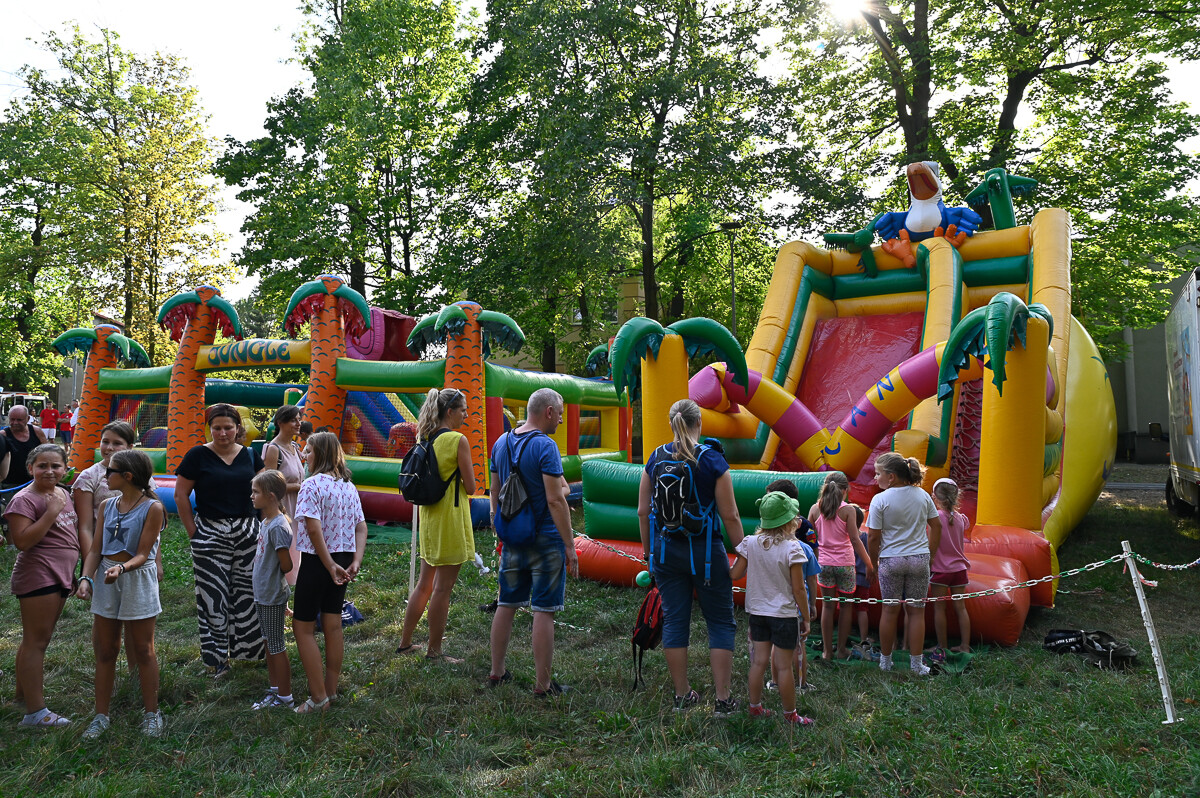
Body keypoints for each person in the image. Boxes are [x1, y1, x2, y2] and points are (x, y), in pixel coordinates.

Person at [637, 398, 743, 716]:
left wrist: (649, 554)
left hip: (667, 551)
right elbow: (731, 515)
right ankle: (723, 700)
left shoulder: (655, 458)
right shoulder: (712, 460)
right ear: (700, 423)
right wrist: (744, 553)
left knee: (675, 620)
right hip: (706, 553)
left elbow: (643, 511)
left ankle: (682, 696)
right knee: (720, 621)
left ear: (671, 423)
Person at [488, 388, 579, 696]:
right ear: (548, 412)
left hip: (513, 537)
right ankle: (542, 685)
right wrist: (570, 546)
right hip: (545, 540)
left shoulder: (501, 442)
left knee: (506, 603)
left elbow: (494, 492)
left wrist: (499, 526)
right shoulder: (545, 446)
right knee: (544, 609)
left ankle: (497, 672)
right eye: (561, 413)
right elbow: (555, 499)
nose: (561, 420)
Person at [76, 449, 167, 739]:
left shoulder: (152, 507)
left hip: (137, 578)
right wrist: (86, 578)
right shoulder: (107, 505)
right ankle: (101, 716)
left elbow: (143, 553)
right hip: (106, 577)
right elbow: (96, 549)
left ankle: (152, 713)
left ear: (127, 476)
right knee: (106, 649)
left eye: (110, 471)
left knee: (143, 649)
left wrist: (122, 568)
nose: (105, 475)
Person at [175, 404, 266, 677]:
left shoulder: (250, 455)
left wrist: (263, 526)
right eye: (217, 428)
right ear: (209, 428)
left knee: (248, 593)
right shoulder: (197, 455)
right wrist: (193, 533)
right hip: (210, 532)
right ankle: (216, 659)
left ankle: (249, 652)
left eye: (228, 427)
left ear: (238, 428)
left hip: (248, 532)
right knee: (212, 597)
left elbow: (264, 491)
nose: (223, 433)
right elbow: (180, 495)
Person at [396, 388, 477, 662]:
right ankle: (434, 651)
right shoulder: (457, 440)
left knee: (424, 584)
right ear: (450, 412)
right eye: (463, 410)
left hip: (429, 519)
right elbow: (472, 487)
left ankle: (405, 643)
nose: (466, 415)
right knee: (443, 589)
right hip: (450, 520)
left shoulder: (426, 437)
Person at [5, 443, 81, 728]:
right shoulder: (24, 500)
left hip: (61, 574)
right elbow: (22, 542)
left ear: (65, 469)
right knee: (36, 641)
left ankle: (21, 697)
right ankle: (36, 713)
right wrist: (50, 513)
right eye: (42, 466)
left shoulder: (62, 493)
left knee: (37, 639)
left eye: (56, 466)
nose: (49, 471)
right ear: (30, 468)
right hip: (39, 574)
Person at [292, 431, 367, 713]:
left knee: (303, 627)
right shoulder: (348, 486)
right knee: (333, 623)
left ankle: (318, 697)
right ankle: (331, 690)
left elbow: (313, 529)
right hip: (344, 559)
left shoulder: (311, 485)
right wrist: (356, 560)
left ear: (321, 454)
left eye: (308, 450)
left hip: (318, 560)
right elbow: (361, 526)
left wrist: (327, 564)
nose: (304, 455)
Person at [730, 491, 814, 725]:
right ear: (789, 521)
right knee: (784, 667)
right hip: (784, 615)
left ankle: (755, 707)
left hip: (757, 613)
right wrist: (806, 617)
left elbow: (735, 574)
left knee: (758, 662)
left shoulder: (750, 543)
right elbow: (799, 589)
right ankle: (790, 715)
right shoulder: (792, 548)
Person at [865, 452, 944, 676]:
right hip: (919, 559)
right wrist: (930, 554)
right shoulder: (922, 495)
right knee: (917, 612)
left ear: (891, 477)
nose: (875, 478)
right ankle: (917, 665)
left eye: (878, 473)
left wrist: (874, 563)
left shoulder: (880, 499)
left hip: (891, 560)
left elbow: (873, 536)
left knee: (889, 611)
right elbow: (937, 526)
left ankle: (886, 662)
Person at [762, 478, 820, 694]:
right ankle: (801, 684)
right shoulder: (805, 547)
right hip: (795, 605)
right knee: (799, 644)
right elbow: (811, 579)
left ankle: (775, 682)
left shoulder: (765, 544)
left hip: (772, 603)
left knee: (776, 643)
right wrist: (811, 605)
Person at [809, 471, 874, 660]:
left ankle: (827, 651)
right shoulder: (848, 510)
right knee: (846, 607)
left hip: (824, 564)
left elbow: (809, 536)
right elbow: (855, 539)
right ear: (845, 490)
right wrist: (869, 564)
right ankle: (841, 650)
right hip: (845, 564)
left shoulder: (815, 509)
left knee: (828, 606)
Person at [249, 470, 295, 710]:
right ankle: (275, 689)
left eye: (256, 492)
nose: (252, 496)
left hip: (271, 595)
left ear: (270, 496)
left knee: (276, 645)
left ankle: (285, 697)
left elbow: (286, 565)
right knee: (268, 642)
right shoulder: (266, 522)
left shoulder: (277, 526)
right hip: (263, 593)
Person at [928, 478, 971, 659]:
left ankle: (942, 646)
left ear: (934, 497)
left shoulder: (935, 519)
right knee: (961, 608)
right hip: (959, 569)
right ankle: (965, 645)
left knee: (940, 608)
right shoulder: (961, 518)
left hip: (940, 570)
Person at [262, 405, 304, 584]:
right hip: (282, 509)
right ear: (280, 423)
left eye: (299, 419)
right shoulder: (274, 449)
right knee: (282, 550)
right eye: (293, 420)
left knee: (294, 552)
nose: (298, 423)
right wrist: (297, 486)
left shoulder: (294, 446)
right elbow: (268, 485)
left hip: (296, 509)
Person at [2, 405, 49, 490]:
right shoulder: (3, 435)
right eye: (12, 419)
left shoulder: (37, 432)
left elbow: (48, 454)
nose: (15, 423)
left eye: (19, 420)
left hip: (34, 482)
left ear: (28, 419)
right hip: (10, 485)